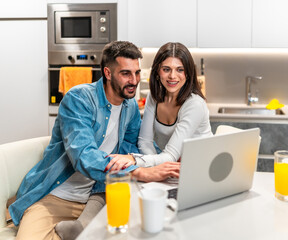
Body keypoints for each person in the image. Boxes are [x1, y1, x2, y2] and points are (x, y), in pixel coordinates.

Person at [9, 41, 180, 240]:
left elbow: (130, 148)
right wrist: (140, 172)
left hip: (99, 194)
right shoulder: (79, 99)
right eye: (126, 73)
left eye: (137, 73)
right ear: (107, 73)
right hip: (57, 195)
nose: (134, 81)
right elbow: (84, 156)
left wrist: (162, 161)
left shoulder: (130, 105)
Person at [135, 41, 213, 166]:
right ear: (157, 72)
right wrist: (157, 167)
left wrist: (135, 160)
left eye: (180, 70)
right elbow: (145, 142)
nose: (172, 76)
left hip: (202, 169)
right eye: (166, 69)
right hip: (174, 168)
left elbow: (171, 155)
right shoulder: (153, 97)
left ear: (188, 74)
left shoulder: (195, 104)